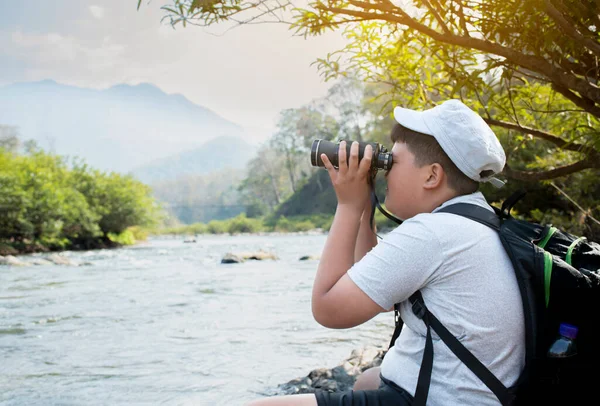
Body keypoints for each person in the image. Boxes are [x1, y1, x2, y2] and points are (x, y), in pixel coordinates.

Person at [247, 100, 525, 406]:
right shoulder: (474, 221)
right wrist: (365, 203)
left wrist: (348, 206)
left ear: (432, 176)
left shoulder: (432, 234)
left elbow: (328, 309)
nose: (385, 171)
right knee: (369, 379)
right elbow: (379, 293)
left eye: (392, 161)